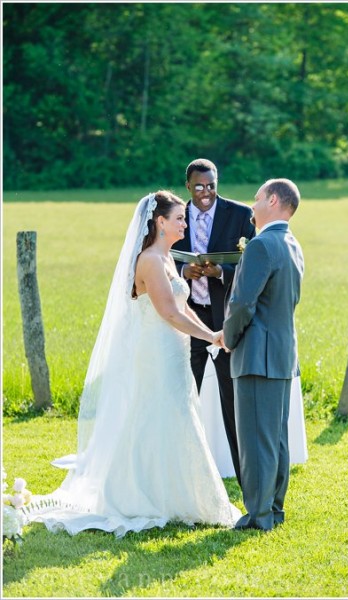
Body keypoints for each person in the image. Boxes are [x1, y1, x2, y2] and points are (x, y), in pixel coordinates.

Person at [24, 191, 241, 537]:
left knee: (176, 414)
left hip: (174, 350)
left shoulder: (165, 257)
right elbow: (169, 313)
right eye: (179, 218)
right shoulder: (151, 261)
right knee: (158, 414)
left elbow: (182, 306)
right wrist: (210, 336)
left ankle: (178, 495)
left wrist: (209, 334)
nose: (185, 223)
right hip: (156, 351)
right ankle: (142, 495)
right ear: (160, 222)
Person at [223, 178, 304, 532]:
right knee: (275, 438)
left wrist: (228, 337)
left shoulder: (261, 245)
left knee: (256, 440)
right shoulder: (292, 244)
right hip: (282, 354)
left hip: (257, 355)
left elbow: (243, 303)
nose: (252, 206)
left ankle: (259, 516)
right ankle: (273, 508)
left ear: (273, 200)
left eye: (256, 199)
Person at [172, 158, 256, 488]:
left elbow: (253, 264)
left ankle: (246, 477)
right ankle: (182, 475)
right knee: (183, 394)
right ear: (188, 186)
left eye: (211, 186)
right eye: (199, 187)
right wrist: (184, 272)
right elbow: (160, 257)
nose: (206, 192)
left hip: (225, 319)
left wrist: (221, 271)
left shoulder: (241, 215)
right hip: (188, 316)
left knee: (232, 399)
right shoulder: (175, 216)